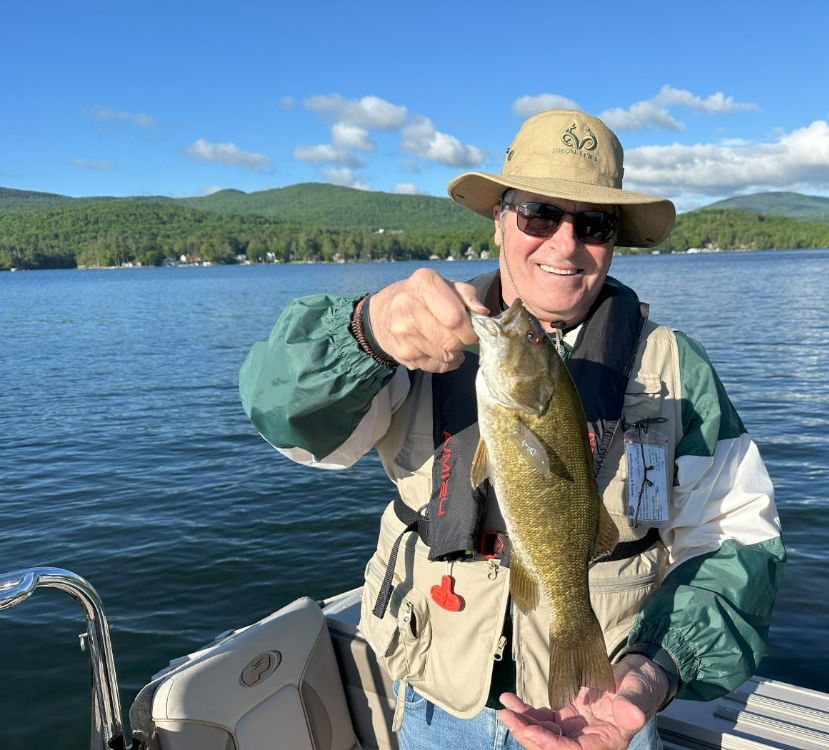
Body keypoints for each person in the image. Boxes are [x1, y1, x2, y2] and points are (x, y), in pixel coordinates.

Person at [239, 109, 785, 750]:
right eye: (537, 214)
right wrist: (366, 332)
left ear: (614, 241)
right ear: (498, 219)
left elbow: (738, 539)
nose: (564, 242)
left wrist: (653, 669)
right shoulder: (419, 338)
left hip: (607, 702)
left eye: (594, 223)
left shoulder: (675, 366)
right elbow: (284, 417)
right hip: (438, 706)